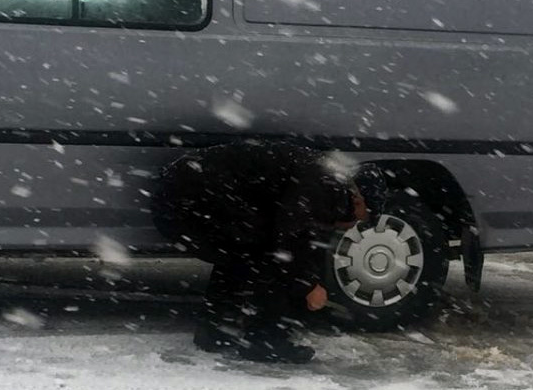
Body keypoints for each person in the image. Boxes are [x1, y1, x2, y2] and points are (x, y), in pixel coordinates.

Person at [151, 139, 382, 363]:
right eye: (363, 219)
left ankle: (217, 331)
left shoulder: (327, 181)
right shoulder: (322, 185)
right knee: (266, 256)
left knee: (243, 253)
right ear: (358, 199)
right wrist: (308, 286)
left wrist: (310, 282)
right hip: (189, 201)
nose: (354, 226)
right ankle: (264, 342)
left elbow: (304, 241)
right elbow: (288, 242)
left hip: (182, 195)